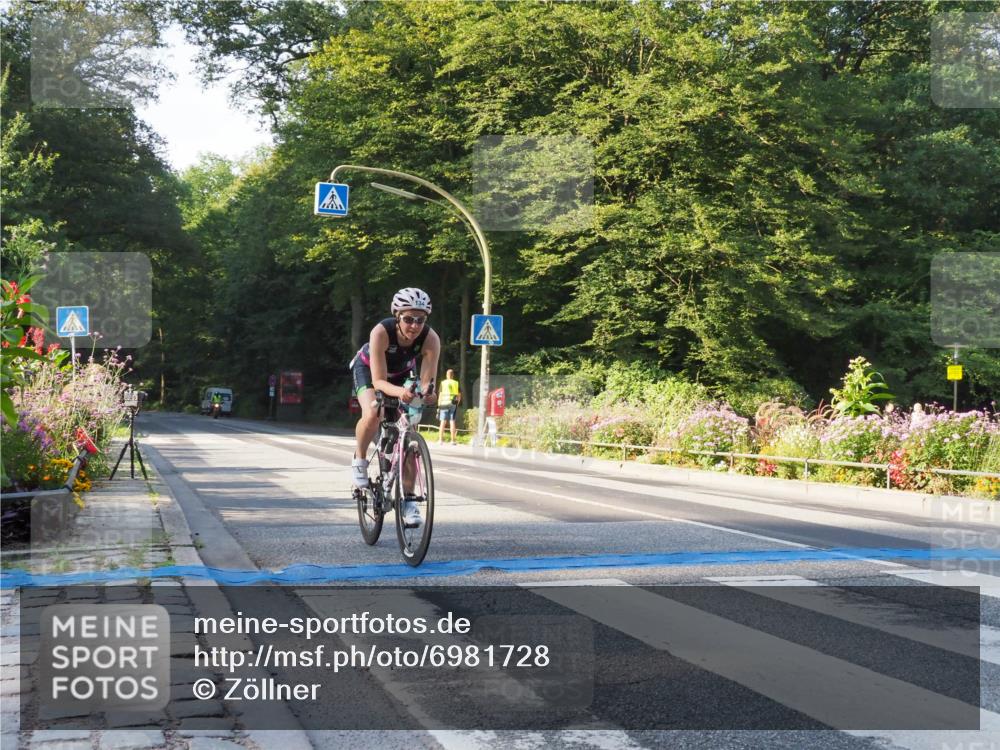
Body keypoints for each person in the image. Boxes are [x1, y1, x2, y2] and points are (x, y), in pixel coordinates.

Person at [349, 288, 439, 527]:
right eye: (409, 318)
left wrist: (428, 393)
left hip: (401, 375)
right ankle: (359, 460)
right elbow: (378, 382)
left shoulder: (431, 339)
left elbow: (427, 382)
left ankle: (409, 501)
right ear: (397, 316)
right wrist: (402, 393)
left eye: (420, 320)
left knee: (409, 437)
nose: (414, 325)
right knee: (373, 412)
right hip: (369, 371)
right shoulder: (381, 332)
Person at [437, 369, 461, 445]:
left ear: (447, 375)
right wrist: (457, 403)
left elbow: (440, 395)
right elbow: (459, 395)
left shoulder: (443, 383)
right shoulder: (456, 383)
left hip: (444, 403)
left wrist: (438, 406)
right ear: (453, 375)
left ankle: (440, 440)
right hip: (453, 404)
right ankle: (453, 441)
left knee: (443, 422)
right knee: (452, 421)